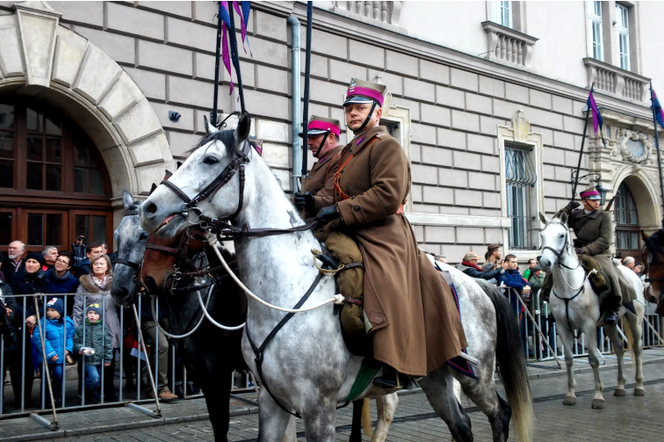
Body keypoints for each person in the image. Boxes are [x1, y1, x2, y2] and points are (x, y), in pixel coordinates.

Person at [317, 78, 466, 388]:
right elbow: (337, 195)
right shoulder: (350, 153)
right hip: (350, 227)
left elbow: (387, 195)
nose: (353, 114)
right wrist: (313, 203)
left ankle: (396, 363)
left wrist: (340, 211)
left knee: (384, 282)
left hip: (382, 232)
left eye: (359, 108)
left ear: (377, 111)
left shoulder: (387, 146)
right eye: (349, 109)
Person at [543, 188, 637, 325]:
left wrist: (586, 249)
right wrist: (566, 209)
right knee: (555, 271)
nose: (597, 202)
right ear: (584, 201)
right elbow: (555, 224)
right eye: (593, 200)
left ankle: (612, 308)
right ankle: (553, 305)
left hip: (599, 253)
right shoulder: (576, 215)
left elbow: (605, 239)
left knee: (609, 274)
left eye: (598, 200)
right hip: (577, 252)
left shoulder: (604, 216)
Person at [74, 254, 120, 401]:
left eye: (102, 264)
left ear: (108, 267)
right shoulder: (84, 284)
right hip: (90, 328)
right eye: (96, 264)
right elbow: (78, 307)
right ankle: (87, 393)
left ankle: (108, 392)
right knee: (88, 360)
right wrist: (78, 328)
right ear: (91, 266)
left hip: (110, 326)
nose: (99, 266)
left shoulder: (116, 282)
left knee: (108, 359)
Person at [1, 251, 36, 410]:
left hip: (9, 330)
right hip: (12, 326)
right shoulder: (15, 279)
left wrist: (9, 312)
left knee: (20, 365)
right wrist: (3, 310)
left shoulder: (4, 285)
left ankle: (22, 399)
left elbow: (12, 302)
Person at [293, 116, 343, 218]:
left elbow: (330, 197)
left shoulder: (339, 159)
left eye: (314, 137)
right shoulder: (324, 160)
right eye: (308, 138)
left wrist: (310, 201)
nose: (309, 142)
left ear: (330, 138)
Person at [31, 297, 75, 407]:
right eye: (47, 310)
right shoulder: (43, 323)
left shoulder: (68, 322)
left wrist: (68, 349)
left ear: (59, 311)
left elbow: (70, 337)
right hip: (46, 357)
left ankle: (56, 397)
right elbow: (39, 338)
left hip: (60, 356)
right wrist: (50, 353)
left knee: (58, 374)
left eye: (52, 310)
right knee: (46, 378)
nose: (49, 313)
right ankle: (45, 399)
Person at [73, 303, 113, 404]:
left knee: (98, 379)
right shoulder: (80, 328)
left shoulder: (103, 328)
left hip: (99, 359)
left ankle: (91, 395)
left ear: (99, 316)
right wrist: (80, 349)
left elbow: (108, 344)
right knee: (94, 377)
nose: (92, 315)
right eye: (90, 313)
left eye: (95, 313)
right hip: (87, 360)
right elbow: (76, 342)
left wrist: (108, 358)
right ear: (86, 314)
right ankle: (89, 392)